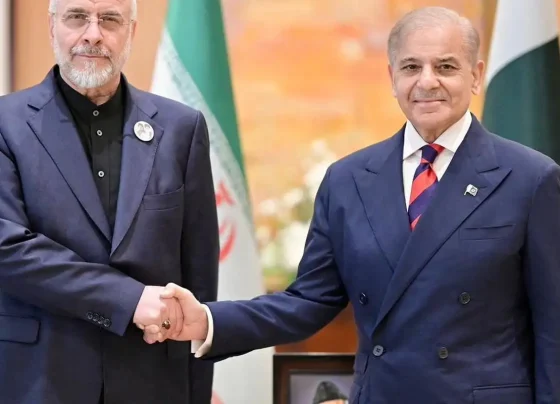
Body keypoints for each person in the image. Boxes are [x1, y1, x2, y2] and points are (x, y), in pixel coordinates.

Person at [144, 5, 560, 404]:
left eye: (446, 66)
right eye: (411, 67)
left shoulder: (530, 178)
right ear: (392, 77)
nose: (427, 81)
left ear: (476, 75)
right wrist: (208, 320)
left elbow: (553, 330)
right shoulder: (348, 180)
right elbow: (308, 301)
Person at [0, 0, 218, 403]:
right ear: (53, 27)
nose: (93, 34)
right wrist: (128, 300)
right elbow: (7, 248)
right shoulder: (5, 124)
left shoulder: (182, 129)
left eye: (110, 19)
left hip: (153, 380)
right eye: (77, 17)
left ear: (131, 32)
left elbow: (199, 276)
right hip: (38, 379)